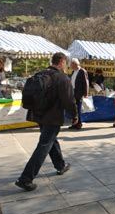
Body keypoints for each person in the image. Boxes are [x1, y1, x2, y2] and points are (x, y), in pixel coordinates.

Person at [15, 52, 78, 191]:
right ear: (62, 61)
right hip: (53, 117)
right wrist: (74, 115)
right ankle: (26, 178)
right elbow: (69, 100)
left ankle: (60, 165)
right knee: (44, 144)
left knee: (50, 139)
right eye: (65, 63)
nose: (66, 66)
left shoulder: (40, 74)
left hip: (38, 115)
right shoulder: (62, 78)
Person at [68, 58, 89, 130]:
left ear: (75, 64)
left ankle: (79, 124)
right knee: (73, 109)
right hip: (72, 92)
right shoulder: (73, 72)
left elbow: (85, 83)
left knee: (78, 109)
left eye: (71, 64)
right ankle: (74, 123)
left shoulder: (82, 71)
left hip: (79, 93)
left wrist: (86, 93)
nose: (70, 66)